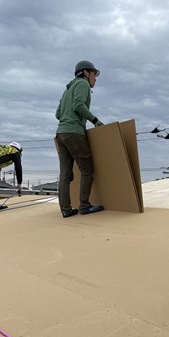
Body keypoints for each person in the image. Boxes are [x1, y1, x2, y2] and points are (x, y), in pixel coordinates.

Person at [54, 60, 105, 218]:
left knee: (65, 174)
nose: (95, 78)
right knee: (87, 169)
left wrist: (68, 118)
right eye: (94, 74)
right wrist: (95, 121)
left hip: (60, 134)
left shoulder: (67, 90)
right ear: (86, 73)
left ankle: (66, 209)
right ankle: (84, 205)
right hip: (74, 133)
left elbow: (58, 114)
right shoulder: (83, 84)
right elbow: (78, 105)